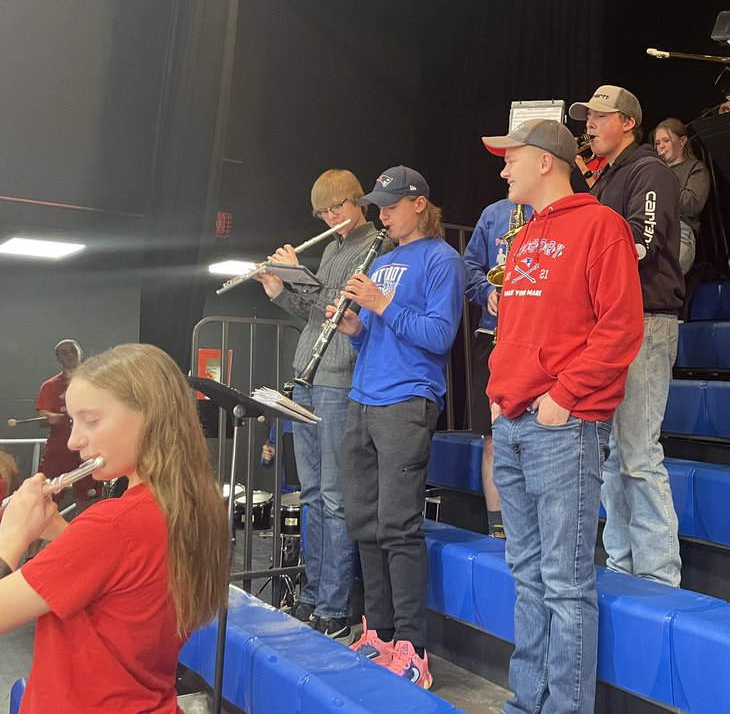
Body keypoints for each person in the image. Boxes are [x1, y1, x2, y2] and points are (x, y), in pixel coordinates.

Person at [482, 118, 643, 714]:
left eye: (511, 158)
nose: (503, 169)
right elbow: (516, 330)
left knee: (566, 585)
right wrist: (501, 392)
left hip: (562, 425)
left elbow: (622, 328)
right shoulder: (522, 236)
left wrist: (563, 396)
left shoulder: (602, 226)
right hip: (516, 418)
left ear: (546, 161)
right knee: (527, 576)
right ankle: (526, 704)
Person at [0, 343, 228, 713]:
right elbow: (126, 579)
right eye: (73, 422)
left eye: (91, 421)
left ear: (150, 417)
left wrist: (10, 537)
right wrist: (61, 533)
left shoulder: (111, 524)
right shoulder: (186, 506)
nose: (75, 441)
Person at [329, 164, 465, 688]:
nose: (381, 213)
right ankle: (378, 632)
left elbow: (439, 335)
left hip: (407, 400)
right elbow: (377, 339)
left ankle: (414, 648)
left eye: (389, 204)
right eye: (378, 204)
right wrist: (354, 328)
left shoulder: (441, 259)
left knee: (398, 526)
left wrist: (381, 304)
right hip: (364, 395)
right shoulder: (383, 259)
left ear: (418, 203)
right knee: (363, 521)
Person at [256, 169, 391, 643]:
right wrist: (281, 292)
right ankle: (313, 596)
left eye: (338, 207)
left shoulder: (379, 248)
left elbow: (344, 312)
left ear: (361, 202)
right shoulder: (333, 247)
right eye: (323, 211)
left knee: (334, 498)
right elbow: (316, 316)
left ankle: (335, 607)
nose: (331, 217)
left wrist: (301, 277)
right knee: (311, 495)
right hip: (307, 376)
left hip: (339, 381)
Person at [570, 84, 684, 587]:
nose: (590, 123)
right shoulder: (604, 178)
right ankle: (622, 565)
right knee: (615, 456)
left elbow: (643, 239)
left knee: (638, 453)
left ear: (628, 123)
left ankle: (659, 576)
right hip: (610, 323)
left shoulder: (648, 170)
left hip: (645, 318)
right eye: (588, 116)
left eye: (600, 116)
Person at [462, 195, 532, 538]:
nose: (506, 173)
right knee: (491, 439)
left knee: (532, 439)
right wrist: (485, 290)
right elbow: (469, 266)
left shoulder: (550, 210)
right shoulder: (493, 213)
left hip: (534, 338)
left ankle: (529, 527)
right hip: (491, 333)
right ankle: (497, 528)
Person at [34, 340, 99, 511]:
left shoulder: (97, 383)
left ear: (81, 354)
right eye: (64, 352)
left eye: (73, 351)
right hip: (60, 450)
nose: (69, 355)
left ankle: (86, 534)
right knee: (47, 493)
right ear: (57, 358)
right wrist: (50, 416)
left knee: (90, 496)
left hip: (89, 447)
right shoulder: (50, 386)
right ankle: (41, 535)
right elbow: (43, 412)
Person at [654, 118, 710, 275]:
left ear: (683, 140)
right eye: (657, 143)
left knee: (663, 278)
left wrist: (661, 184)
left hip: (680, 231)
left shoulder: (695, 168)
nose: (661, 147)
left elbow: (693, 205)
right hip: (653, 230)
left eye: (666, 140)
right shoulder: (654, 171)